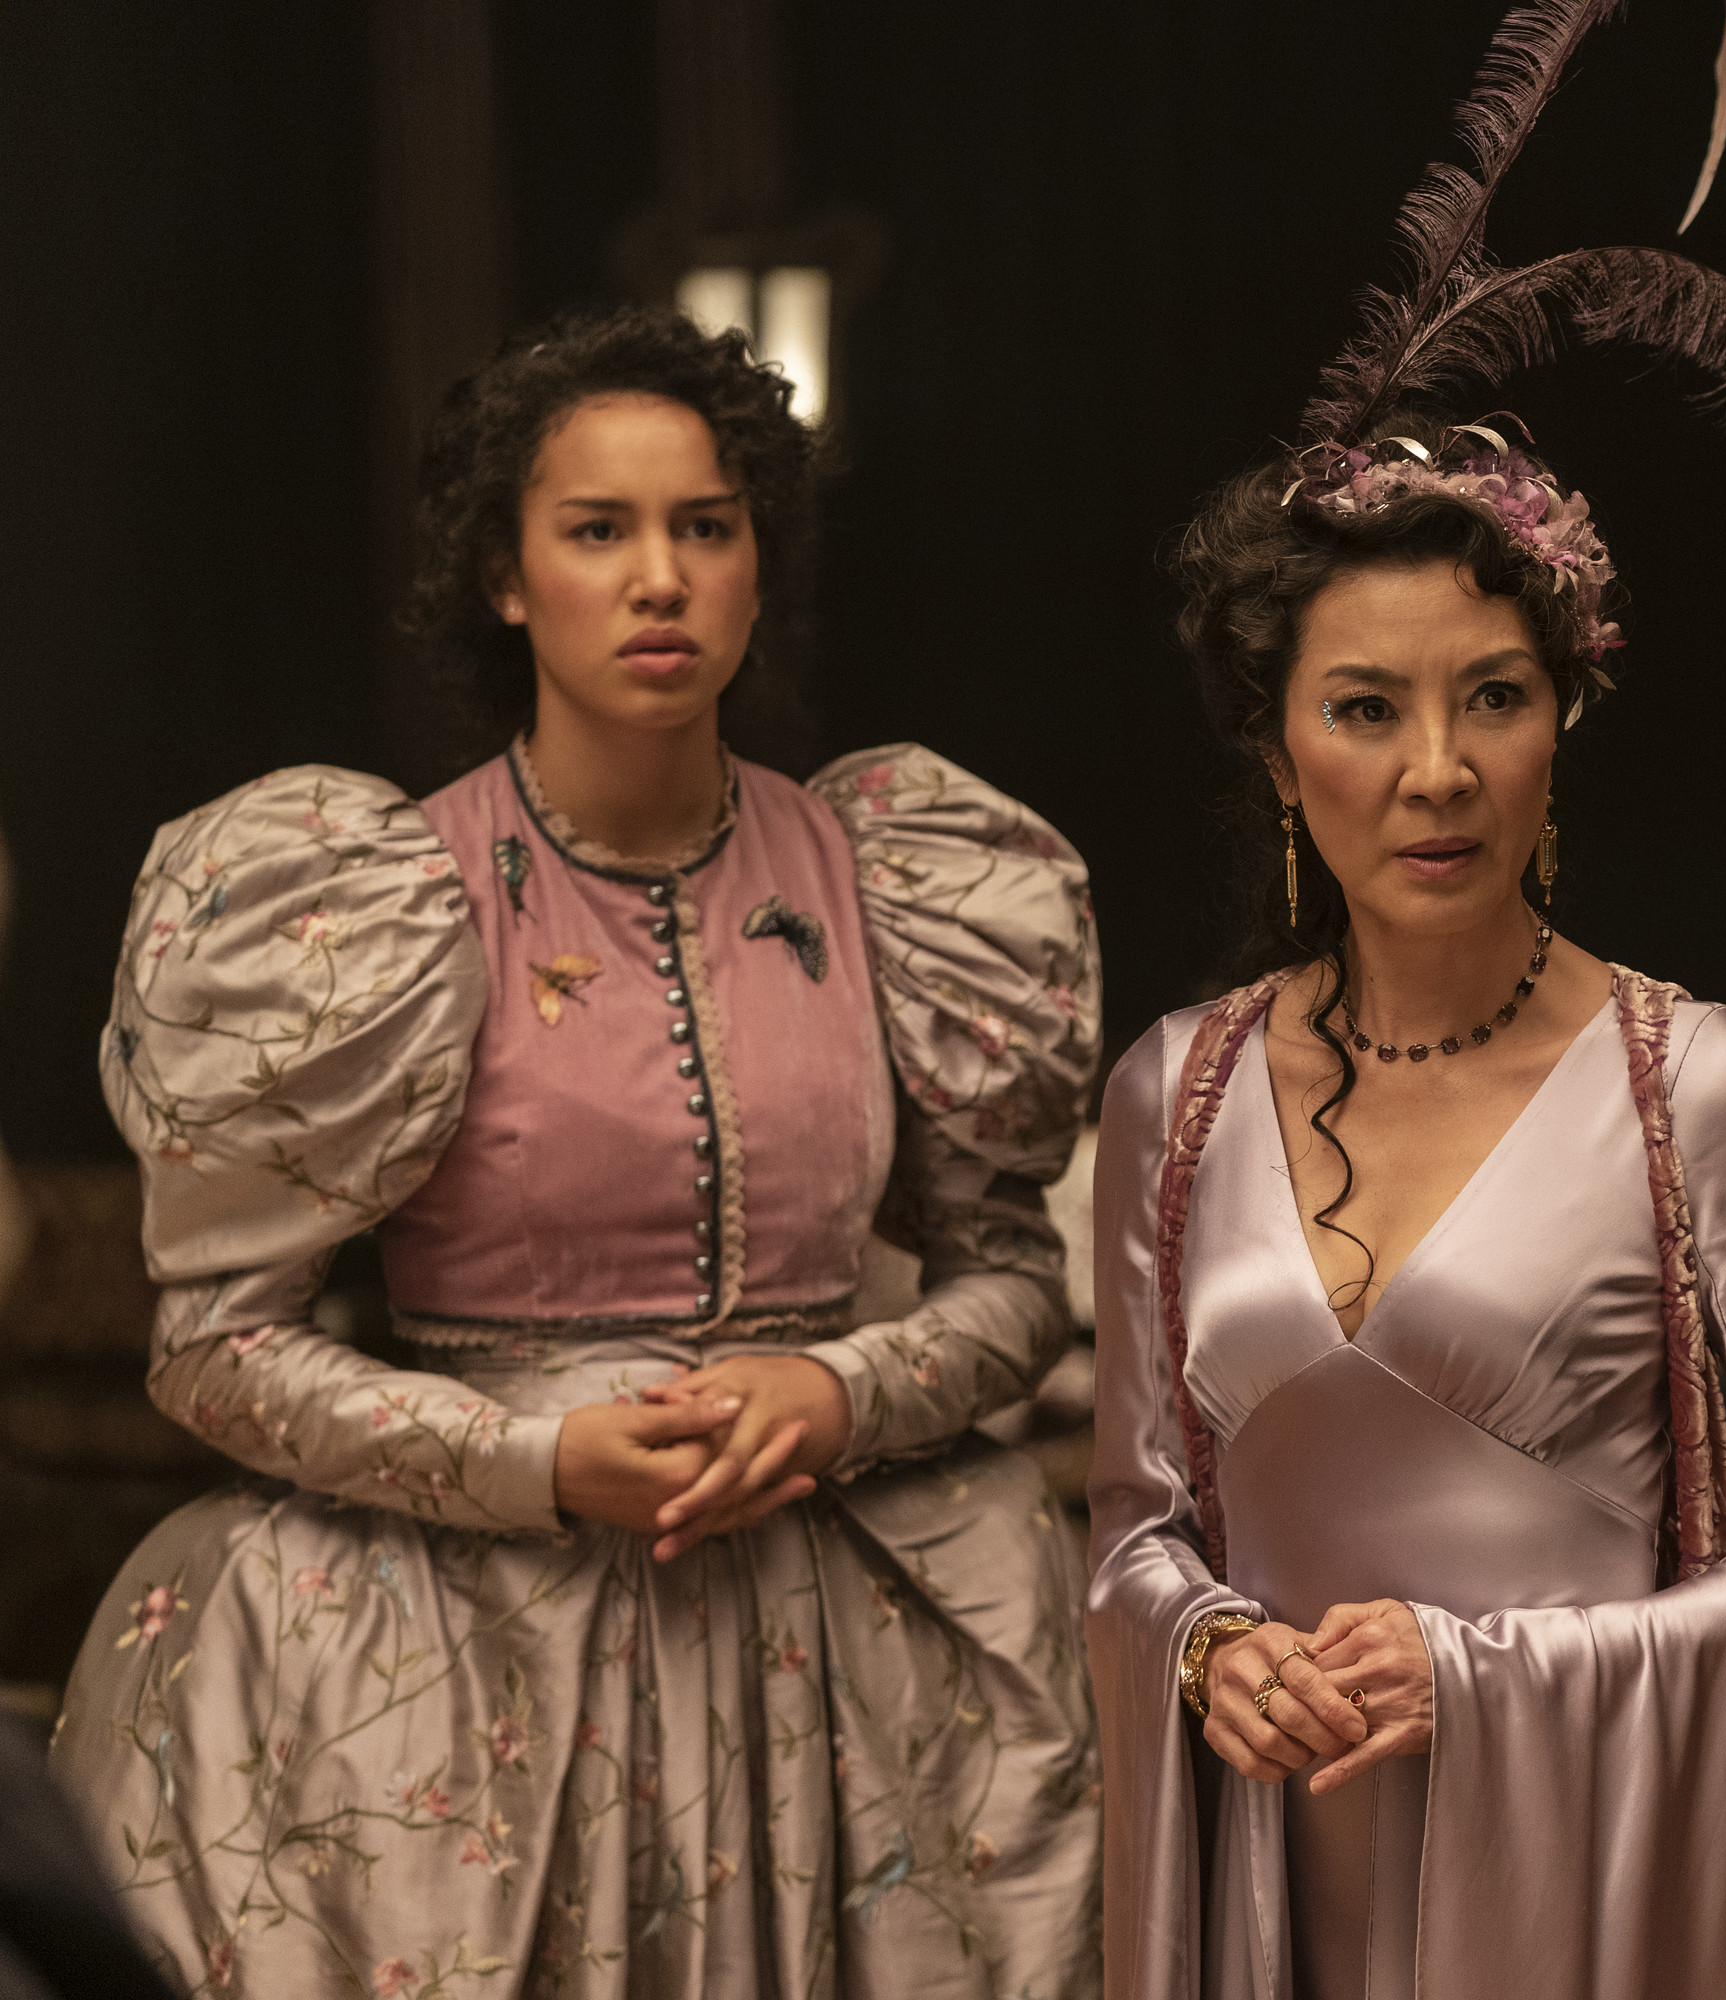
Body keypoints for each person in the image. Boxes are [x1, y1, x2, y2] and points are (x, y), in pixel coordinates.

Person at [57, 305, 1103, 1998]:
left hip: (840, 1653)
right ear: (504, 574)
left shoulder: (899, 884)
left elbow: (1014, 1286)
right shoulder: (369, 909)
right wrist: (533, 1461)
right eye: (599, 530)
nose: (660, 578)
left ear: (759, 564)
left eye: (707, 526)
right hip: (461, 1656)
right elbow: (215, 1350)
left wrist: (839, 1392)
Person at [1088, 11, 1726, 1999]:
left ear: (1568, 723)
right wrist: (1204, 1650)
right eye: (1364, 709)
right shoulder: (1172, 1095)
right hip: (1286, 1890)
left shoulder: (1694, 1083)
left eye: (1494, 697)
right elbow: (1132, 1528)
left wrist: (1487, 1677)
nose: (1437, 771)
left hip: (1587, 1901)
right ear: (1278, 753)